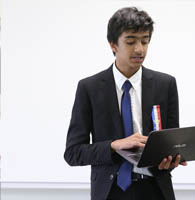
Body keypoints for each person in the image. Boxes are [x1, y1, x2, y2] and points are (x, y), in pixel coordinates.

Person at [64, 7, 187, 200]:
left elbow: (172, 142)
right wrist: (114, 145)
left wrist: (171, 159)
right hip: (110, 191)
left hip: (155, 190)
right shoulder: (89, 88)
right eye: (131, 42)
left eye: (145, 41)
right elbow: (73, 153)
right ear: (113, 45)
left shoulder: (166, 84)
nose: (140, 49)